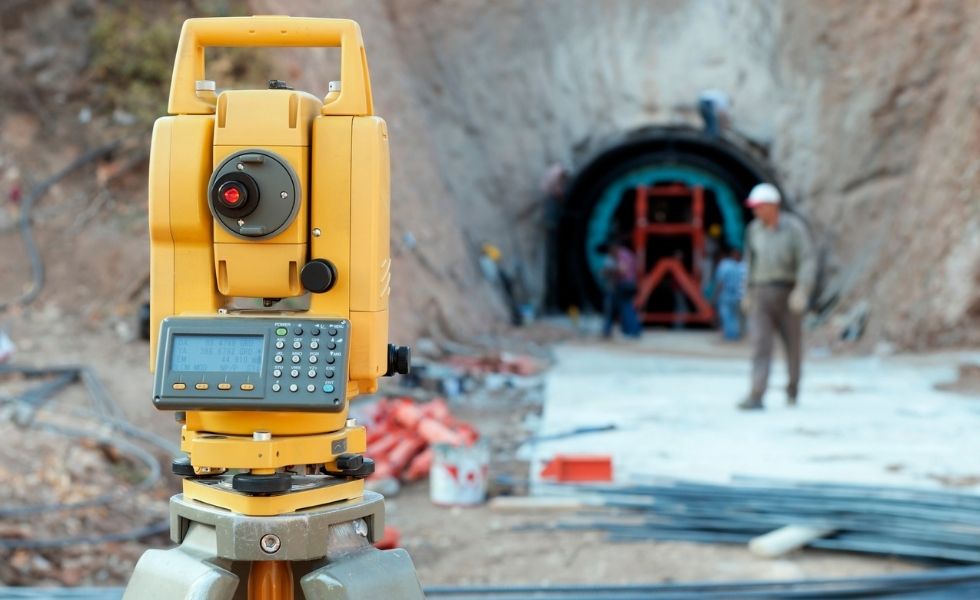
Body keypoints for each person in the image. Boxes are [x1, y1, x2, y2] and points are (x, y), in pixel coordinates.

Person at [738, 183, 815, 410]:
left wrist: (802, 290)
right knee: (760, 345)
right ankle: (756, 394)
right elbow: (749, 263)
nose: (756, 211)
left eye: (760, 207)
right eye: (755, 207)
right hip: (761, 293)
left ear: (773, 206)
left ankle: (793, 390)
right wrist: (747, 293)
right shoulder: (753, 231)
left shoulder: (794, 229)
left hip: (788, 293)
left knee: (792, 345)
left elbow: (807, 259)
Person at [599, 240, 642, 339]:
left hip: (624, 284)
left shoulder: (622, 255)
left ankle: (632, 331)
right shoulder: (628, 254)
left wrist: (608, 270)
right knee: (627, 308)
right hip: (630, 283)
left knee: (626, 308)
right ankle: (631, 330)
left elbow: (623, 269)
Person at [713, 247, 746, 341]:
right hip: (736, 296)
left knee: (726, 316)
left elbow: (720, 283)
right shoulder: (739, 266)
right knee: (735, 316)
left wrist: (715, 297)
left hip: (725, 295)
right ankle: (735, 335)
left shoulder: (724, 265)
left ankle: (730, 337)